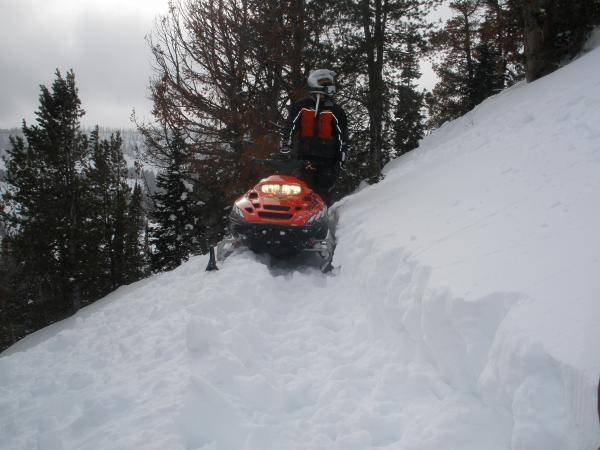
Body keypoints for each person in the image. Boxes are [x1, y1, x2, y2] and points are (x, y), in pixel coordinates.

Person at [280, 69, 349, 205]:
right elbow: (290, 126)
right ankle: (298, 219)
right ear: (315, 83)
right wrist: (285, 144)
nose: (329, 86)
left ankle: (322, 218)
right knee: (301, 191)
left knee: (323, 193)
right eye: (325, 83)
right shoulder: (301, 106)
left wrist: (342, 156)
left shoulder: (336, 110)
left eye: (329, 83)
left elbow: (343, 136)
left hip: (328, 160)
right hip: (304, 157)